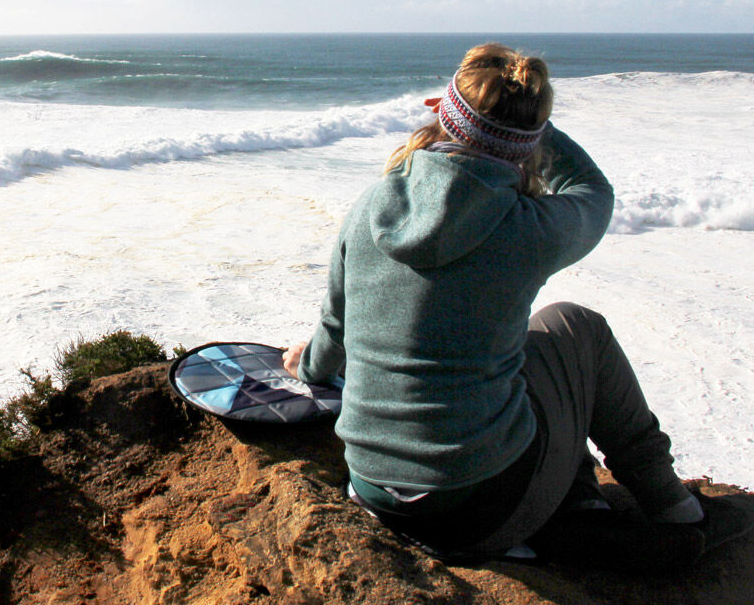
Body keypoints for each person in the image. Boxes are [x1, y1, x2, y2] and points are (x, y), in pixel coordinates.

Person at [283, 43, 753, 572]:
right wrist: (532, 127)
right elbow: (592, 191)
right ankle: (678, 511)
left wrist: (306, 364)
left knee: (524, 350)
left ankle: (580, 506)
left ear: (445, 116)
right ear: (524, 140)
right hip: (479, 506)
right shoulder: (526, 227)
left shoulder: (369, 206)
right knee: (575, 325)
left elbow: (333, 333)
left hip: (372, 489)